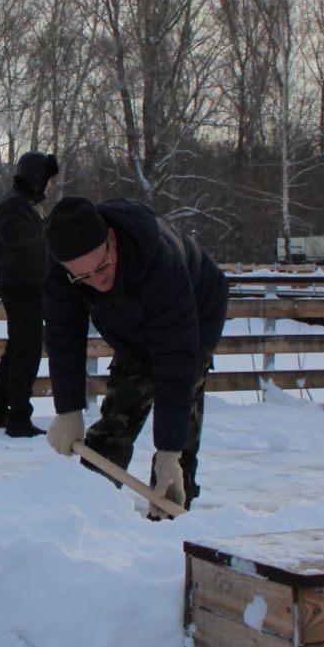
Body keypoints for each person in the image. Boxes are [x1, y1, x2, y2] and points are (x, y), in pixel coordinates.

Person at [41, 196, 228, 513]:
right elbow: (63, 339)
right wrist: (68, 409)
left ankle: (175, 495)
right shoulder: (63, 274)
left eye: (101, 267)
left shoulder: (160, 264)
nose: (96, 280)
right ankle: (93, 501)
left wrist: (169, 452)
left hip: (196, 308)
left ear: (111, 239)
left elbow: (175, 364)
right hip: (129, 321)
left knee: (186, 397)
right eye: (83, 276)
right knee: (123, 404)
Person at [0, 151, 58, 438]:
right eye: (47, 179)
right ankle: (18, 418)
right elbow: (14, 237)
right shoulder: (15, 205)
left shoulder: (26, 205)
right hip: (22, 287)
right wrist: (47, 227)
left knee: (18, 349)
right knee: (26, 352)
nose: (49, 186)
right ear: (37, 178)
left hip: (27, 285)